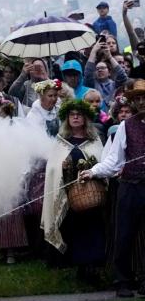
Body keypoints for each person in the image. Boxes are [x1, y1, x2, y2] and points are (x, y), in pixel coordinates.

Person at [79, 79, 145, 297]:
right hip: (130, 187)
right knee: (124, 234)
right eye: (138, 99)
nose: (142, 102)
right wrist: (93, 172)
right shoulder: (127, 125)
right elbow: (114, 161)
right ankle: (122, 280)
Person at [42, 99, 105, 282]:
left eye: (79, 114)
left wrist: (93, 169)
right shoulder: (61, 142)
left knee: (93, 230)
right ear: (67, 119)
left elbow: (103, 163)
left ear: (85, 118)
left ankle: (93, 267)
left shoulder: (94, 141)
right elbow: (52, 169)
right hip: (69, 196)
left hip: (92, 195)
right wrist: (64, 167)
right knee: (74, 230)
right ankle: (79, 267)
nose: (76, 117)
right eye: (72, 115)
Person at [84, 39, 128, 110]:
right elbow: (88, 73)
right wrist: (93, 52)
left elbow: (122, 75)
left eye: (102, 68)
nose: (100, 70)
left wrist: (110, 57)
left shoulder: (115, 85)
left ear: (109, 72)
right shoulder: (92, 85)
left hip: (113, 118)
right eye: (97, 69)